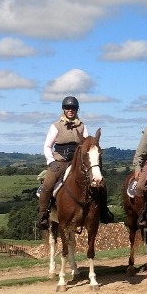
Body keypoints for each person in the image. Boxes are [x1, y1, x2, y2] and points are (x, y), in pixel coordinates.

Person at [37, 96, 88, 230]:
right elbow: (47, 146)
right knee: (47, 184)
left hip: (76, 163)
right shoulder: (56, 126)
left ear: (77, 110)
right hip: (59, 161)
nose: (70, 110)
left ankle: (102, 212)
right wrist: (51, 161)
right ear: (64, 110)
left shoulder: (82, 126)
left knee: (97, 181)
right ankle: (43, 215)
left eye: (73, 108)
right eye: (67, 108)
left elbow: (87, 145)